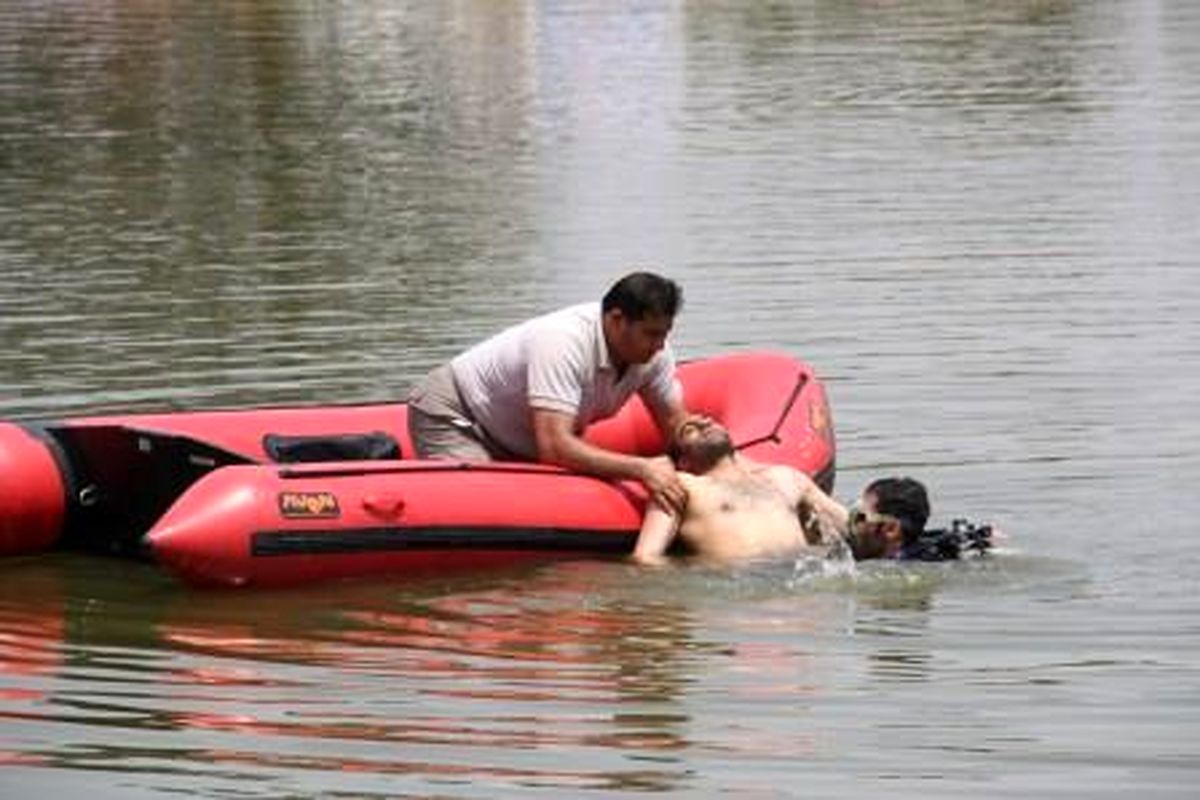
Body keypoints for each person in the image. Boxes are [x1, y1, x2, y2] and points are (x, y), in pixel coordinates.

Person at [407, 271, 690, 511]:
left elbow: (675, 425)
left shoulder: (652, 356)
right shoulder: (563, 341)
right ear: (617, 320)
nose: (660, 345)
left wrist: (700, 441)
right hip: (458, 414)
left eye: (665, 333)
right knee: (486, 503)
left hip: (518, 436)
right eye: (652, 334)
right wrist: (642, 469)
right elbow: (554, 448)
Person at [631, 415, 931, 565]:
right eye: (691, 429)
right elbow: (646, 558)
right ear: (682, 459)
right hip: (740, 590)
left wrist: (905, 537)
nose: (705, 421)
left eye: (709, 419)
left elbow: (851, 528)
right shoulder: (681, 486)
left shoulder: (786, 478)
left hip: (806, 583)